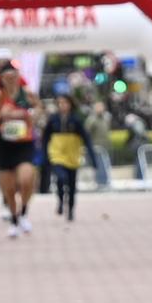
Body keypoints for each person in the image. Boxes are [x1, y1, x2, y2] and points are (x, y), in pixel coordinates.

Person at [0, 63, 41, 236]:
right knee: (9, 188)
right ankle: (14, 218)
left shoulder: (27, 94)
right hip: (4, 146)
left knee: (26, 179)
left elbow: (40, 111)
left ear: (19, 76)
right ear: (1, 79)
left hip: (24, 143)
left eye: (14, 77)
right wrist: (1, 115)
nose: (11, 81)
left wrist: (28, 114)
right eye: (7, 78)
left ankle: (24, 211)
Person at [44, 93, 87, 221]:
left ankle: (71, 210)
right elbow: (46, 137)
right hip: (57, 153)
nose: (62, 106)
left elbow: (86, 138)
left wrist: (92, 157)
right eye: (60, 103)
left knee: (72, 185)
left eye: (65, 103)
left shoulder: (76, 119)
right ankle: (61, 201)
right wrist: (44, 154)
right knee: (61, 178)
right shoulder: (53, 119)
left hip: (72, 154)